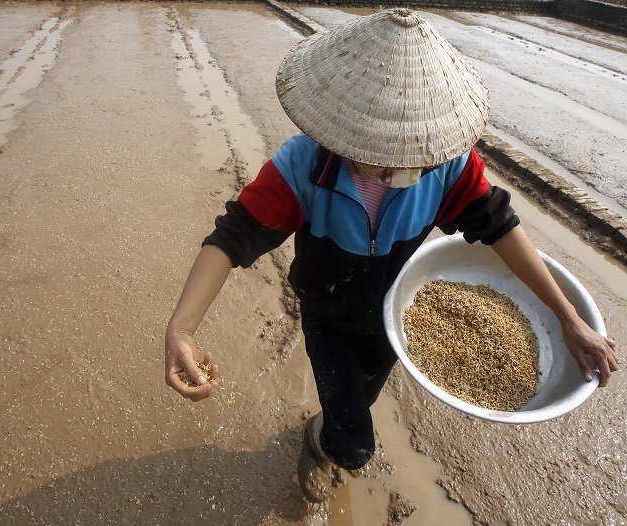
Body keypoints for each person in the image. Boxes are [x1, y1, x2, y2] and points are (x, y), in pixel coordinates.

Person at [164, 8, 618, 503]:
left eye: (416, 152)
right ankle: (321, 443)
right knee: (356, 445)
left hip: (392, 318)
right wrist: (181, 329)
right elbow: (231, 238)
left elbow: (502, 228)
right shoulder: (304, 168)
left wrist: (568, 317)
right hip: (327, 311)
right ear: (345, 129)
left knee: (362, 395)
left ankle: (332, 423)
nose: (402, 169)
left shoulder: (446, 167)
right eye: (381, 154)